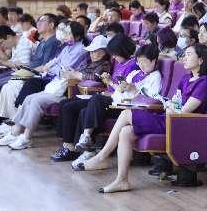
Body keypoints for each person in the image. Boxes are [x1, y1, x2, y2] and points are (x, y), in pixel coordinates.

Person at [78, 44, 207, 193]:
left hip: (179, 123)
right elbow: (175, 101)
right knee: (125, 132)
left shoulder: (204, 82)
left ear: (200, 60)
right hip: (167, 117)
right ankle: (122, 180)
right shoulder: (186, 78)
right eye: (185, 54)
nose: (184, 58)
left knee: (126, 114)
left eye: (189, 54)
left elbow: (184, 110)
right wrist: (169, 104)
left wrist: (170, 106)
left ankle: (102, 156)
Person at [0, 35, 112, 150]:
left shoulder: (104, 64)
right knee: (29, 98)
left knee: (36, 101)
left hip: (66, 92)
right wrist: (72, 72)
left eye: (95, 51)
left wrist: (75, 74)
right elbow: (61, 69)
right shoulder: (88, 63)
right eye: (91, 51)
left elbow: (96, 77)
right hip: (58, 87)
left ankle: (26, 137)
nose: (91, 54)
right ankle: (15, 131)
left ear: (103, 53)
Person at [52, 34, 143, 163]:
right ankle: (69, 145)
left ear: (123, 51)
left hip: (116, 102)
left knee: (75, 108)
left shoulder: (132, 66)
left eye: (115, 54)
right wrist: (108, 82)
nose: (113, 57)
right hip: (107, 96)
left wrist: (110, 85)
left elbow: (125, 91)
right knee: (65, 103)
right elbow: (113, 86)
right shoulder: (120, 63)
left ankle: (75, 146)